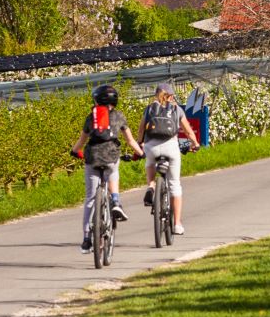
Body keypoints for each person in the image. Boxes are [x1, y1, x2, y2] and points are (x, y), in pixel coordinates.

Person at [69, 82, 140, 252]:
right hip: (111, 155)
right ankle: (115, 200)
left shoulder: (90, 117)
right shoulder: (119, 116)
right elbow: (130, 140)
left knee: (90, 199)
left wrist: (74, 151)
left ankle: (86, 239)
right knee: (113, 170)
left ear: (96, 101)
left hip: (92, 157)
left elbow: (81, 141)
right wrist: (141, 153)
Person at [140, 83, 199, 235]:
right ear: (171, 96)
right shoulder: (176, 109)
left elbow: (141, 129)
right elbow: (187, 130)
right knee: (175, 185)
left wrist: (140, 143)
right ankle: (177, 224)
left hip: (151, 146)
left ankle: (151, 186)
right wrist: (195, 143)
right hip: (170, 147)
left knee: (150, 163)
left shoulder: (149, 109)